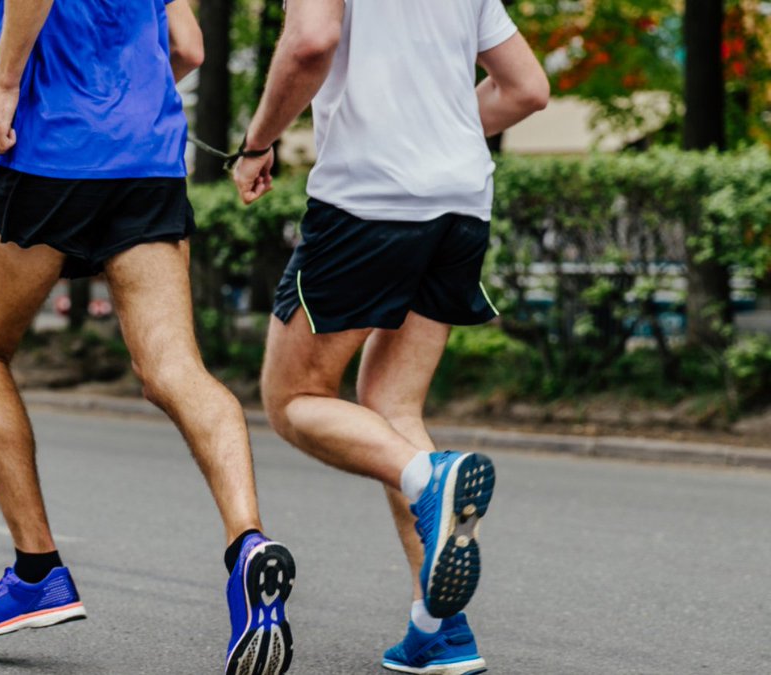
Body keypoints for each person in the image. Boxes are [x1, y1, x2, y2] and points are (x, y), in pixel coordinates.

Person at [0, 1, 296, 673]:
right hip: (148, 158)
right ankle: (247, 543)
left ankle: (37, 569)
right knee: (176, 369)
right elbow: (188, 47)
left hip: (50, 148)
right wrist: (125, 87)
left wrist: (6, 84)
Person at [233, 1, 548, 673]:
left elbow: (311, 41)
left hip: (369, 200)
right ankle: (439, 628)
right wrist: (451, 127)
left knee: (292, 399)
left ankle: (427, 478)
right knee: (392, 407)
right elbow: (527, 87)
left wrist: (257, 143)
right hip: (462, 201)